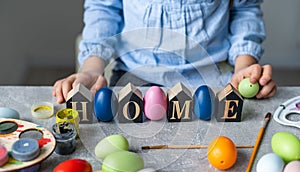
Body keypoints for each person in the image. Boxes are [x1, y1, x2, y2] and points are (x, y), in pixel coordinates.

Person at [53, 0, 276, 104]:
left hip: (212, 78)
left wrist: (244, 68)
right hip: (137, 75)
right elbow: (104, 9)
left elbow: (244, 10)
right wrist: (92, 69)